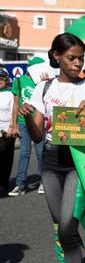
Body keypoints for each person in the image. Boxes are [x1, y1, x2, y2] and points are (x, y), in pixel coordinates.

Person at [18, 33, 85, 263]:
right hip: (51, 162)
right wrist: (29, 116)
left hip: (78, 164)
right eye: (71, 58)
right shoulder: (43, 88)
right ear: (56, 56)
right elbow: (38, 135)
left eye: (81, 57)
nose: (78, 63)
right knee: (61, 231)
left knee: (68, 227)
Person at [7, 58, 46, 196]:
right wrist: (14, 125)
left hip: (39, 122)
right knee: (24, 153)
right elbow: (16, 104)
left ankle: (44, 182)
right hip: (23, 122)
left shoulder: (44, 82)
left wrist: (45, 83)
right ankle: (20, 184)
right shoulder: (19, 80)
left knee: (41, 153)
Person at [0, 68, 15, 196]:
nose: (0, 81)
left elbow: (13, 112)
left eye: (2, 79)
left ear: (7, 80)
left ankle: (3, 184)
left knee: (6, 159)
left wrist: (11, 127)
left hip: (6, 131)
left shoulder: (10, 94)